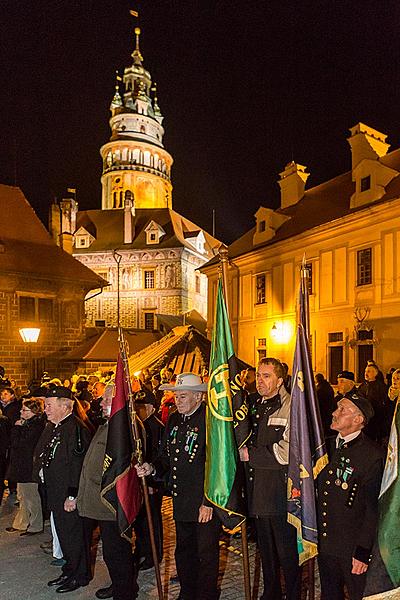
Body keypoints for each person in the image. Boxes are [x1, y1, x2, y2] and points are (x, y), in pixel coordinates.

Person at [136, 373, 220, 600]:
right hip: (181, 498)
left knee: (206, 554)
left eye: (183, 396)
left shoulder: (211, 422)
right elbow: (166, 457)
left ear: (198, 397)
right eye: (176, 396)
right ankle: (187, 592)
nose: (177, 400)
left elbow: (217, 467)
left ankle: (206, 595)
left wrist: (208, 502)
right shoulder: (173, 419)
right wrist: (152, 469)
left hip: (204, 501)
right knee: (184, 552)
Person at [241, 357, 300, 600]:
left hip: (278, 493)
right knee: (265, 551)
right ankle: (271, 592)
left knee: (286, 553)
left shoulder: (289, 407)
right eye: (258, 375)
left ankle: (294, 594)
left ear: (279, 380)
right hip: (257, 492)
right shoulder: (253, 404)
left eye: (266, 376)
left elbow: (290, 450)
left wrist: (251, 455)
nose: (260, 380)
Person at [317, 390, 385, 600]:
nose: (334, 413)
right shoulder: (324, 446)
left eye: (342, 409)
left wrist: (363, 552)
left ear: (358, 420)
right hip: (326, 543)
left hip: (352, 547)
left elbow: (373, 509)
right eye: (337, 408)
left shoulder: (372, 455)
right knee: (329, 594)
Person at [76, 384, 139, 600]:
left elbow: (126, 467)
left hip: (113, 503)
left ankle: (125, 592)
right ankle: (119, 585)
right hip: (100, 502)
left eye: (106, 400)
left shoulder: (127, 427)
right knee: (112, 554)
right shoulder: (109, 425)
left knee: (117, 553)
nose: (101, 403)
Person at [40, 386, 92, 593]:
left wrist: (72, 495)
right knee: (64, 536)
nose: (45, 409)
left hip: (68, 496)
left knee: (74, 537)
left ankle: (80, 576)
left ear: (65, 405)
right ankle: (70, 569)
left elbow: (78, 466)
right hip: (56, 493)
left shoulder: (76, 428)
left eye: (49, 405)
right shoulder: (58, 426)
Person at [133, 388, 165, 570]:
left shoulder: (156, 426)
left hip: (152, 483)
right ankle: (142, 549)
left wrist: (153, 483)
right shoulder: (138, 425)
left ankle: (154, 554)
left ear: (152, 408)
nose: (139, 410)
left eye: (143, 406)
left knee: (152, 519)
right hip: (141, 480)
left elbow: (159, 457)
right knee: (140, 519)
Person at [6, 397, 46, 535]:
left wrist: (17, 428)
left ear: (33, 412)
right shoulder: (28, 424)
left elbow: (19, 444)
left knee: (31, 497)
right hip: (22, 466)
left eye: (24, 410)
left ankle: (36, 525)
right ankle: (21, 523)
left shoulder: (35, 426)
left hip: (28, 467)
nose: (21, 412)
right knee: (22, 496)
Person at [358, 362, 391, 444]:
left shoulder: (381, 387)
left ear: (375, 373)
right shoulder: (362, 386)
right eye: (365, 371)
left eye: (369, 371)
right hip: (364, 421)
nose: (366, 373)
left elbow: (385, 405)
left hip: (376, 422)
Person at [315, 373, 336, 437]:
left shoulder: (320, 389)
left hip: (323, 410)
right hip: (329, 409)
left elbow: (318, 399)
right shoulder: (328, 386)